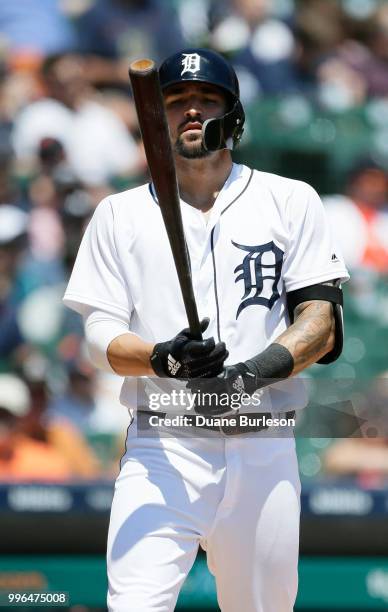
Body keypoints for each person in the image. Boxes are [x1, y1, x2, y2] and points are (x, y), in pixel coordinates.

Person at [64, 48, 349, 612]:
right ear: (155, 119)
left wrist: (248, 375)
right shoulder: (118, 214)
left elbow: (321, 321)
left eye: (207, 99)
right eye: (175, 101)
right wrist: (161, 357)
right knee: (134, 604)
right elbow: (100, 335)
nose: (190, 111)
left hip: (262, 439)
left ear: (234, 116)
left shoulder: (289, 200)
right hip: (163, 445)